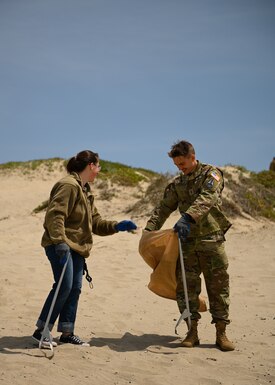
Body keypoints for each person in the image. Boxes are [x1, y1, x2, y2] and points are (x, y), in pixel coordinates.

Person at [32, 150, 137, 347]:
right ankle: (41, 331)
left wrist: (117, 226)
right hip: (61, 245)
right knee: (64, 285)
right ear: (90, 166)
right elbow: (55, 215)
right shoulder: (68, 185)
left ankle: (67, 332)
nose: (98, 171)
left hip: (78, 248)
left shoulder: (85, 190)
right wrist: (60, 243)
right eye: (98, 167)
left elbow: (95, 223)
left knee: (75, 288)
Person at [145, 140, 235, 351]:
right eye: (177, 165)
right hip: (186, 244)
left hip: (211, 240)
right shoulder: (178, 184)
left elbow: (207, 198)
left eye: (183, 164)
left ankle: (221, 333)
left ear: (193, 157)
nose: (180, 168)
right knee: (186, 288)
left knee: (218, 286)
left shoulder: (211, 175)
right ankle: (191, 331)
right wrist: (149, 230)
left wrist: (188, 217)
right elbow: (163, 208)